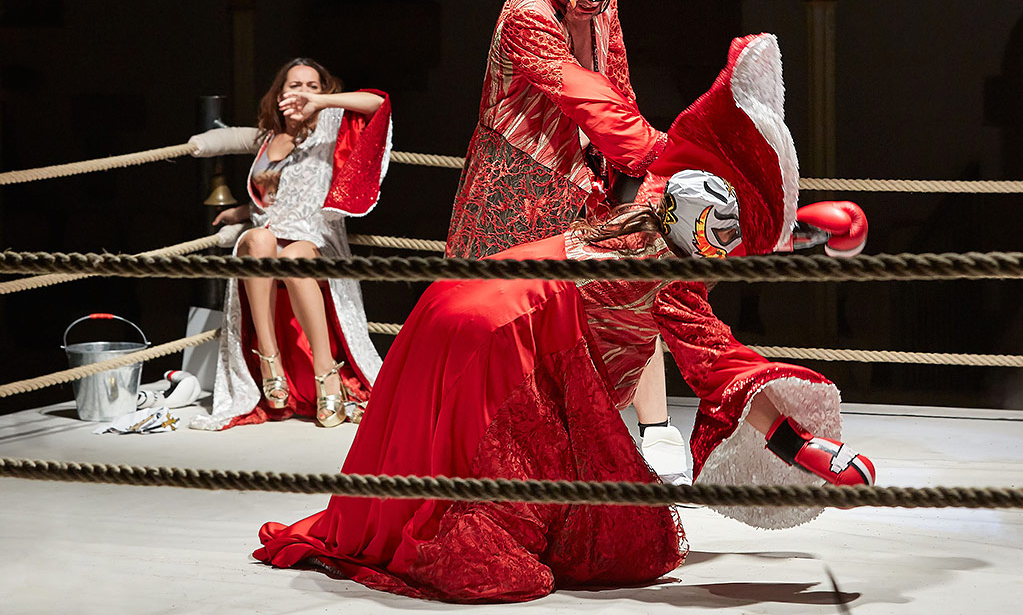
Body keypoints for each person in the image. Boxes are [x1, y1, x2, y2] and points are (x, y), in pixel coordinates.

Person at [254, 34, 874, 602]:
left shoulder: (646, 213)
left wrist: (806, 237)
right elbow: (725, 370)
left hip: (473, 299)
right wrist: (803, 446)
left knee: (585, 511)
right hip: (504, 335)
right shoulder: (669, 280)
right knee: (573, 546)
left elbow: (715, 221)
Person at [444, 0, 685, 481]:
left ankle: (655, 432)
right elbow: (582, 95)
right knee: (495, 321)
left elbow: (615, 85)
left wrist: (645, 162)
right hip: (511, 191)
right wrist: (661, 151)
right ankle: (482, 452)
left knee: (626, 287)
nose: (588, 7)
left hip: (579, 183)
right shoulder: (525, 12)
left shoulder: (602, 5)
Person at [187, 58, 392, 430]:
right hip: (267, 236)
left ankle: (326, 373)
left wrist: (322, 104)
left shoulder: (329, 125)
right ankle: (269, 359)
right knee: (262, 239)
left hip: (316, 237)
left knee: (293, 256)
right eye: (294, 85)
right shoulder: (267, 139)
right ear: (280, 94)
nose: (303, 92)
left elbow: (378, 104)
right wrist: (241, 211)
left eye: (313, 86)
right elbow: (276, 194)